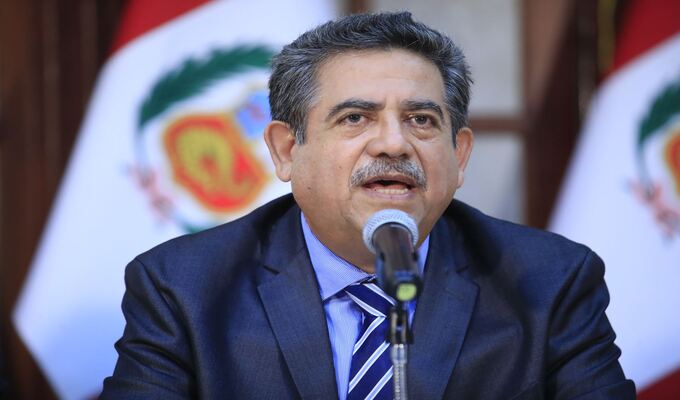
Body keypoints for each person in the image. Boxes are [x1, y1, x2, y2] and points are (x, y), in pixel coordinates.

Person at [101, 12, 635, 399]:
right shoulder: (183, 288)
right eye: (355, 118)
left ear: (459, 155)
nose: (394, 144)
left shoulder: (549, 281)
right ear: (286, 151)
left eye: (421, 120)